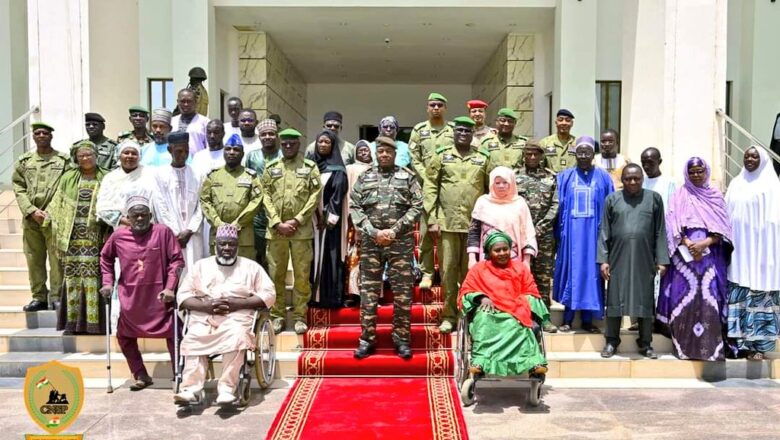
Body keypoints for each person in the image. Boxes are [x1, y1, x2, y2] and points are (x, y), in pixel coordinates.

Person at [174, 224, 276, 406]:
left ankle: (227, 389)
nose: (227, 248)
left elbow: (269, 294)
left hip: (237, 316)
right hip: (204, 315)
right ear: (215, 245)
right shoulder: (200, 266)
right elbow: (183, 296)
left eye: (231, 244)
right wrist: (206, 307)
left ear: (237, 245)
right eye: (223, 244)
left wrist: (239, 303)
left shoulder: (251, 267)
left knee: (237, 336)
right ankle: (191, 389)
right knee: (194, 336)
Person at [99, 195, 184, 390]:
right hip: (131, 298)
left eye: (143, 215)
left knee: (175, 334)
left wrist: (171, 287)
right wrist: (107, 282)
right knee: (124, 336)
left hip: (160, 297)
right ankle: (140, 374)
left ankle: (179, 374)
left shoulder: (162, 232)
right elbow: (105, 257)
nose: (139, 219)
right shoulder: (119, 236)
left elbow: (177, 260)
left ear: (150, 215)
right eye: (135, 215)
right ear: (127, 216)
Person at [351, 136, 422, 359]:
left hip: (400, 243)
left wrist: (395, 230)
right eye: (380, 151)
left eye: (388, 152)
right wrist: (374, 232)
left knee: (402, 294)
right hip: (372, 244)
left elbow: (417, 205)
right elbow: (355, 206)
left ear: (394, 154)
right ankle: (367, 339)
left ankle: (401, 339)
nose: (384, 155)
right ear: (375, 153)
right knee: (369, 293)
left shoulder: (408, 177)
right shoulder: (365, 177)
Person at [657, 157, 733, 361]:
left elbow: (724, 229)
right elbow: (672, 223)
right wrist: (686, 242)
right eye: (692, 172)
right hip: (684, 260)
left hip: (709, 258)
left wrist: (704, 243)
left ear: (706, 171)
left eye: (700, 171)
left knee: (709, 299)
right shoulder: (680, 194)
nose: (696, 175)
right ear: (687, 173)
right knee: (683, 298)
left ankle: (711, 349)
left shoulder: (715, 196)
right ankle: (683, 348)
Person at [424, 116, 489, 334]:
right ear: (453, 132)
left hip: (474, 226)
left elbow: (490, 190)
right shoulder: (442, 156)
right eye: (459, 130)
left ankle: (468, 315)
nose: (463, 134)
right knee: (449, 271)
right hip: (448, 223)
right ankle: (449, 316)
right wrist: (431, 218)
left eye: (467, 131)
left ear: (473, 134)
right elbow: (431, 186)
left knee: (471, 273)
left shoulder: (483, 158)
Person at [597, 164, 669, 359]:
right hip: (617, 258)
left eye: (636, 178)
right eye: (628, 178)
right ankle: (612, 341)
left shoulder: (654, 199)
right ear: (622, 180)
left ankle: (645, 343)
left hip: (644, 259)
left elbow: (660, 231)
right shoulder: (612, 199)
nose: (632, 182)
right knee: (614, 300)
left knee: (644, 301)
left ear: (642, 179)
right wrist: (603, 260)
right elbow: (604, 231)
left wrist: (662, 259)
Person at [458, 231, 548, 377]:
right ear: (489, 252)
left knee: (520, 323)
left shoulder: (520, 268)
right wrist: (481, 298)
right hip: (489, 309)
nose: (502, 253)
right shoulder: (478, 269)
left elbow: (531, 290)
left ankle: (532, 362)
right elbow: (466, 292)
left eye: (505, 249)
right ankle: (481, 362)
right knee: (484, 320)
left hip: (515, 309)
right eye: (497, 250)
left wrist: (522, 303)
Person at [262, 128, 322, 334]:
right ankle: (277, 316)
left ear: (299, 145)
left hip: (301, 230)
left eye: (292, 143)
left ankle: (299, 316)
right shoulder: (271, 168)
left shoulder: (309, 167)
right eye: (285, 143)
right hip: (277, 231)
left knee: (302, 275)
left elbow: (315, 195)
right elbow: (265, 196)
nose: (288, 146)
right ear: (280, 144)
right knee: (275, 274)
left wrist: (297, 220)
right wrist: (277, 222)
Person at [553, 135, 614, 333]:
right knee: (573, 274)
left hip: (595, 235)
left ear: (593, 154)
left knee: (592, 275)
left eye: (587, 152)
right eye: (580, 153)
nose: (584, 156)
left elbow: (611, 208)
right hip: (571, 236)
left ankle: (588, 320)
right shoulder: (564, 177)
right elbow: (557, 207)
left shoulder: (604, 177)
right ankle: (568, 319)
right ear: (575, 154)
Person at [49, 141, 109, 334]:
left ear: (95, 156)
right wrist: (49, 222)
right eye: (81, 156)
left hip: (96, 237)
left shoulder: (106, 176)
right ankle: (73, 323)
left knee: (93, 278)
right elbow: (57, 203)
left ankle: (94, 324)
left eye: (89, 155)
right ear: (76, 158)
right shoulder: (68, 178)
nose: (85, 158)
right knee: (73, 277)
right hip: (72, 238)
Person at [725, 147, 780, 360]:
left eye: (754, 156)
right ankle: (738, 344)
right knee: (738, 293)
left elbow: (775, 223)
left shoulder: (772, 186)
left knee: (760, 295)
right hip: (739, 252)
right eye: (747, 155)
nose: (749, 159)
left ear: (763, 160)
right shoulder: (736, 183)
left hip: (761, 252)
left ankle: (759, 346)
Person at [13, 122, 69, 312]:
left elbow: (65, 188)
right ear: (33, 137)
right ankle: (39, 297)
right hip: (31, 219)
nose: (42, 135)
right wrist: (30, 210)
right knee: (34, 258)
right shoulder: (24, 161)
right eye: (38, 133)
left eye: (45, 133)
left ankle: (56, 297)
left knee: (56, 260)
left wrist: (51, 212)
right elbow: (18, 187)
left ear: (51, 136)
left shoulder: (64, 160)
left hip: (54, 218)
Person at [409, 92, 454, 290]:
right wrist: (426, 175)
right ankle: (427, 273)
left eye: (439, 105)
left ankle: (446, 273)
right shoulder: (419, 131)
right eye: (432, 105)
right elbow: (414, 157)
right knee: (427, 232)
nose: (436, 108)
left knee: (446, 234)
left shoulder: (452, 130)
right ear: (427, 108)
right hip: (426, 186)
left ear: (445, 108)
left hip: (448, 186)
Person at [516, 140, 559, 332]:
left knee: (542, 278)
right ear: (523, 155)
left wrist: (541, 227)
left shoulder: (551, 178)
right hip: (520, 235)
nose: (532, 157)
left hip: (543, 235)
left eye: (536, 154)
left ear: (542, 156)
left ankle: (544, 317)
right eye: (529, 154)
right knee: (522, 276)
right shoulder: (514, 177)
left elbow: (556, 204)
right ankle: (523, 315)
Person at [199, 135, 262, 259]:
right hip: (218, 235)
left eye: (236, 149)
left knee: (244, 273)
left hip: (243, 236)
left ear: (242, 153)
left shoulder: (251, 177)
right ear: (223, 152)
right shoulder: (213, 176)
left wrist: (237, 224)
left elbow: (257, 200)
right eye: (228, 149)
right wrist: (218, 223)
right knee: (218, 273)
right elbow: (205, 200)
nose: (232, 152)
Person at [468, 166, 536, 268]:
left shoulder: (520, 204)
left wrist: (526, 261)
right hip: (487, 259)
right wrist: (472, 259)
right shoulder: (482, 202)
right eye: (497, 183)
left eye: (505, 182)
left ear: (511, 183)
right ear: (491, 183)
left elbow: (527, 234)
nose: (501, 186)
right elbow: (474, 232)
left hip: (513, 259)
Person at [310, 130, 349, 308]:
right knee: (313, 258)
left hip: (330, 223)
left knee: (329, 257)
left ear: (333, 145)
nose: (323, 145)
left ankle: (330, 298)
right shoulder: (311, 166)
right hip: (312, 220)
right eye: (320, 142)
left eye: (327, 142)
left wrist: (327, 219)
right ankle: (314, 297)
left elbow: (337, 195)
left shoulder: (338, 169)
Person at [153, 131, 204, 268]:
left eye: (186, 151)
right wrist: (176, 232)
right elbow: (160, 206)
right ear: (170, 150)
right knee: (173, 269)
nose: (183, 155)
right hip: (171, 234)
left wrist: (190, 230)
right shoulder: (160, 174)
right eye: (179, 151)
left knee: (194, 269)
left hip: (192, 234)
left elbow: (202, 205)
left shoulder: (198, 174)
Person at [96, 140, 158, 230]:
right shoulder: (110, 178)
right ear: (119, 156)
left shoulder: (150, 174)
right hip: (123, 228)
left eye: (134, 153)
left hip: (149, 227)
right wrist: (127, 221)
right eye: (126, 153)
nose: (130, 156)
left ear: (139, 156)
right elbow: (103, 207)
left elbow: (159, 203)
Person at [246, 119, 283, 268]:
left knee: (275, 255)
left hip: (277, 210)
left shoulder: (282, 156)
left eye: (271, 134)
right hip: (257, 212)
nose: (267, 137)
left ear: (277, 136)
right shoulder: (251, 156)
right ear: (259, 137)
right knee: (257, 252)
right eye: (264, 134)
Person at [344, 141, 374, 305]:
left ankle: (373, 294)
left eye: (367, 150)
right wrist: (354, 220)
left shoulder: (376, 169)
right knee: (354, 257)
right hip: (355, 218)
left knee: (373, 258)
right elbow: (348, 194)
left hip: (374, 220)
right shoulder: (350, 169)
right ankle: (354, 293)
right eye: (360, 150)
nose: (364, 153)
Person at [171, 88, 209, 155]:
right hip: (175, 163)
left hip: (197, 163)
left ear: (195, 102)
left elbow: (209, 147)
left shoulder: (205, 122)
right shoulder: (171, 122)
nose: (186, 104)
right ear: (178, 102)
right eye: (183, 101)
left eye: (189, 101)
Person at [540, 109, 576, 173]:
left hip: (571, 181)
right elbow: (540, 165)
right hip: (551, 180)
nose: (564, 123)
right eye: (560, 120)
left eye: (567, 120)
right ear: (556, 122)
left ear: (572, 124)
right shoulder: (545, 143)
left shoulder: (577, 143)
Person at [640, 147, 676, 211]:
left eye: (650, 162)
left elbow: (673, 208)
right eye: (643, 162)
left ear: (659, 162)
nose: (646, 166)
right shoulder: (640, 182)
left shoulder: (669, 182)